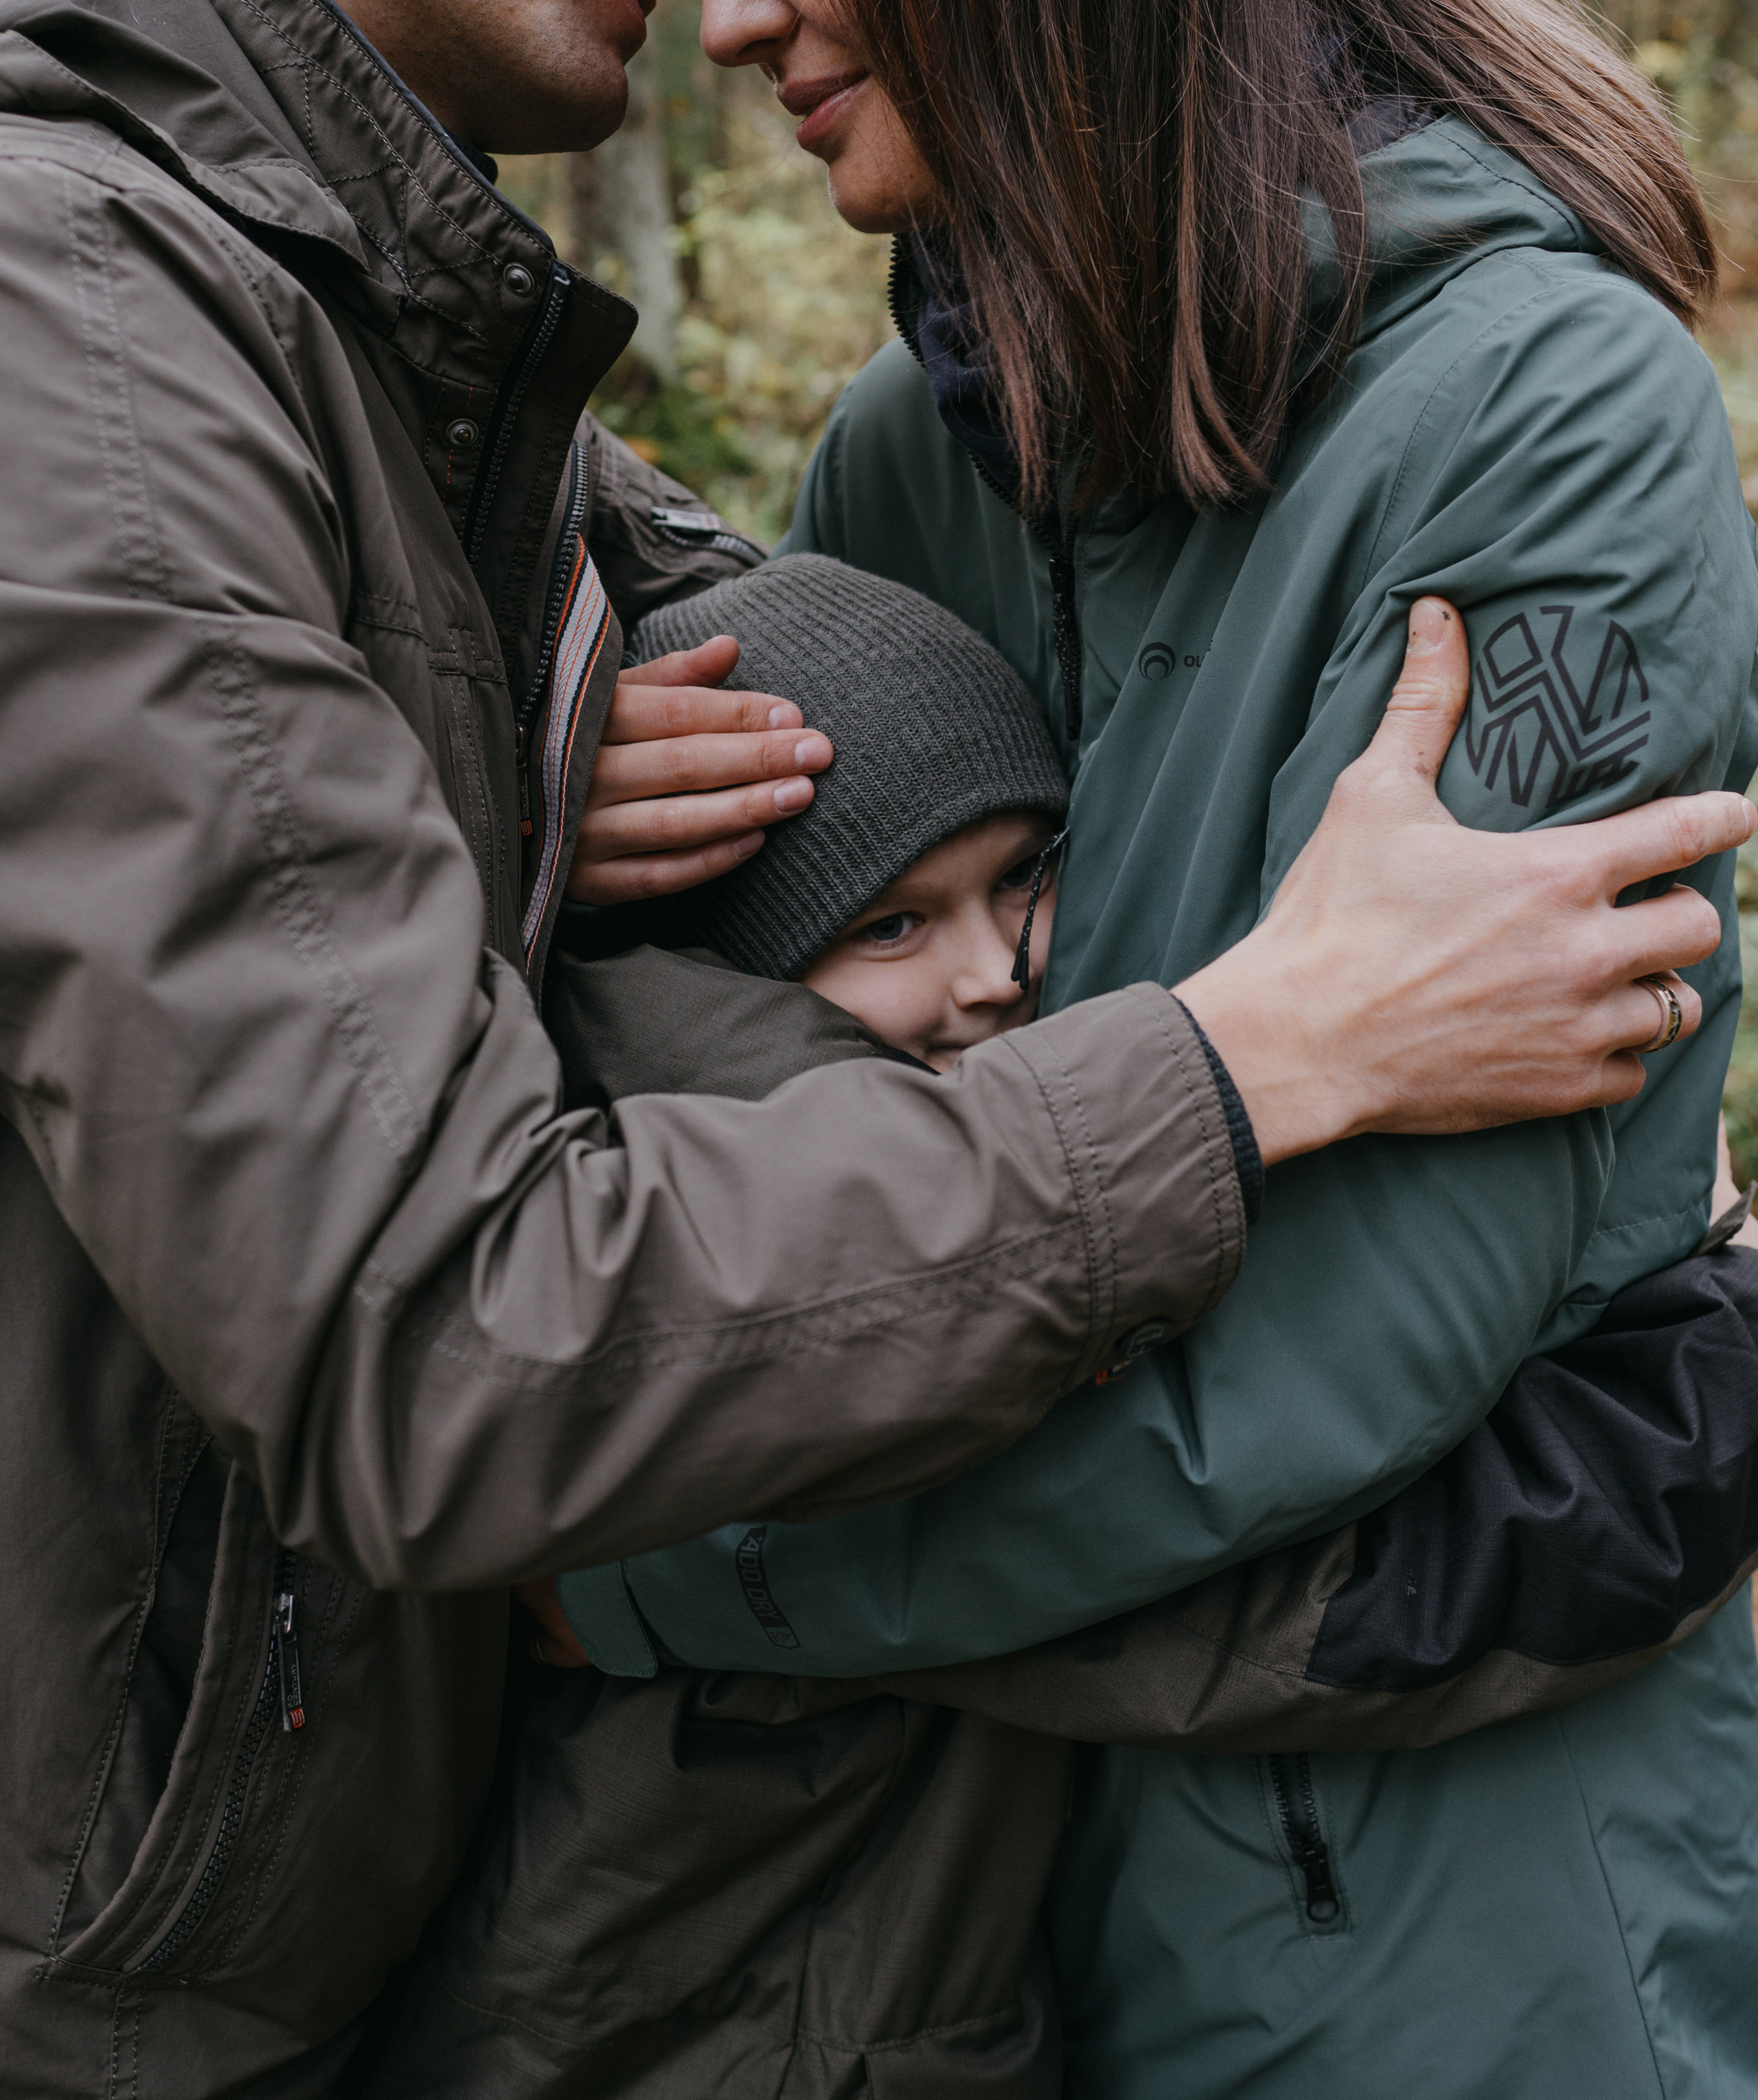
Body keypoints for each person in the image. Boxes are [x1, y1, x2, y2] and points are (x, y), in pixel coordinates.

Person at [0, 0, 1744, 2088]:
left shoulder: (1514, 412)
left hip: (1432, 1931)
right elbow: (507, 1319)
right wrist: (1291, 1104)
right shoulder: (149, 333)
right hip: (847, 1899)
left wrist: (486, 817)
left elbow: (1331, 1327)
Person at [553, 0, 1758, 2094]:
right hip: (956, 1921)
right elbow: (798, 1217)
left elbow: (1344, 1377)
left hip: (1444, 1937)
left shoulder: (1544, 424)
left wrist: (635, 1565)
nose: (724, 10)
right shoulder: (896, 471)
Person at [348, 556, 1758, 2099]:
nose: (984, 977)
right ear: (725, 957)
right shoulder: (801, 1280)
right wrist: (1709, 1378)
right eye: (887, 924)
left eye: (1023, 875)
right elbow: (1277, 1623)